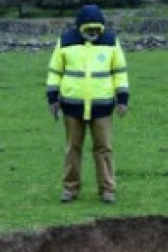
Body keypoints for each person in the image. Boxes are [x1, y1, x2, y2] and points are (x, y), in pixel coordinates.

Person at [46, 5, 130, 204]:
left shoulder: (111, 42)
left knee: (104, 149)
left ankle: (107, 190)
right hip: (72, 107)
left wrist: (123, 100)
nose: (93, 33)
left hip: (102, 108)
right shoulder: (65, 42)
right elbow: (55, 72)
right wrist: (52, 99)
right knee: (73, 148)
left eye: (97, 29)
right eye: (89, 29)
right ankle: (70, 189)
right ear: (80, 27)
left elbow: (119, 72)